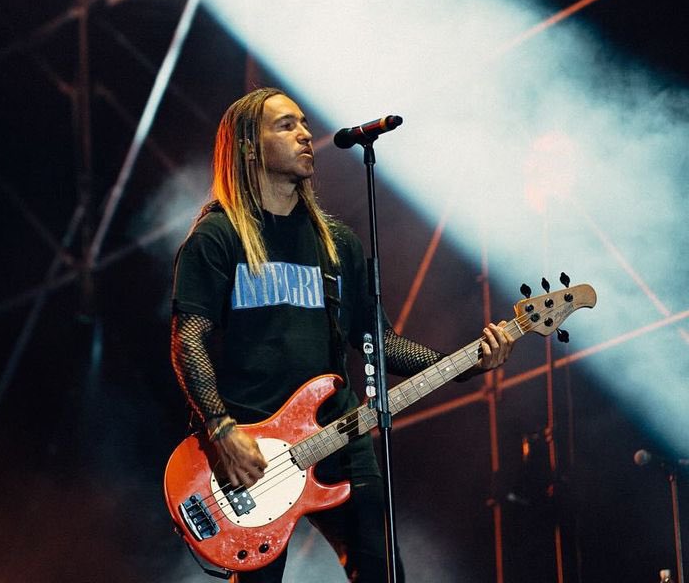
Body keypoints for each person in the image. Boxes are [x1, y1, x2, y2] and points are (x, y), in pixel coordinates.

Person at [170, 87, 515, 583]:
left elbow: (380, 342)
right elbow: (188, 340)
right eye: (285, 126)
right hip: (249, 455)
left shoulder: (338, 245)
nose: (305, 134)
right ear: (248, 146)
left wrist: (466, 362)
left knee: (382, 573)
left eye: (305, 123)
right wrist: (222, 430)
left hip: (339, 435)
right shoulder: (218, 237)